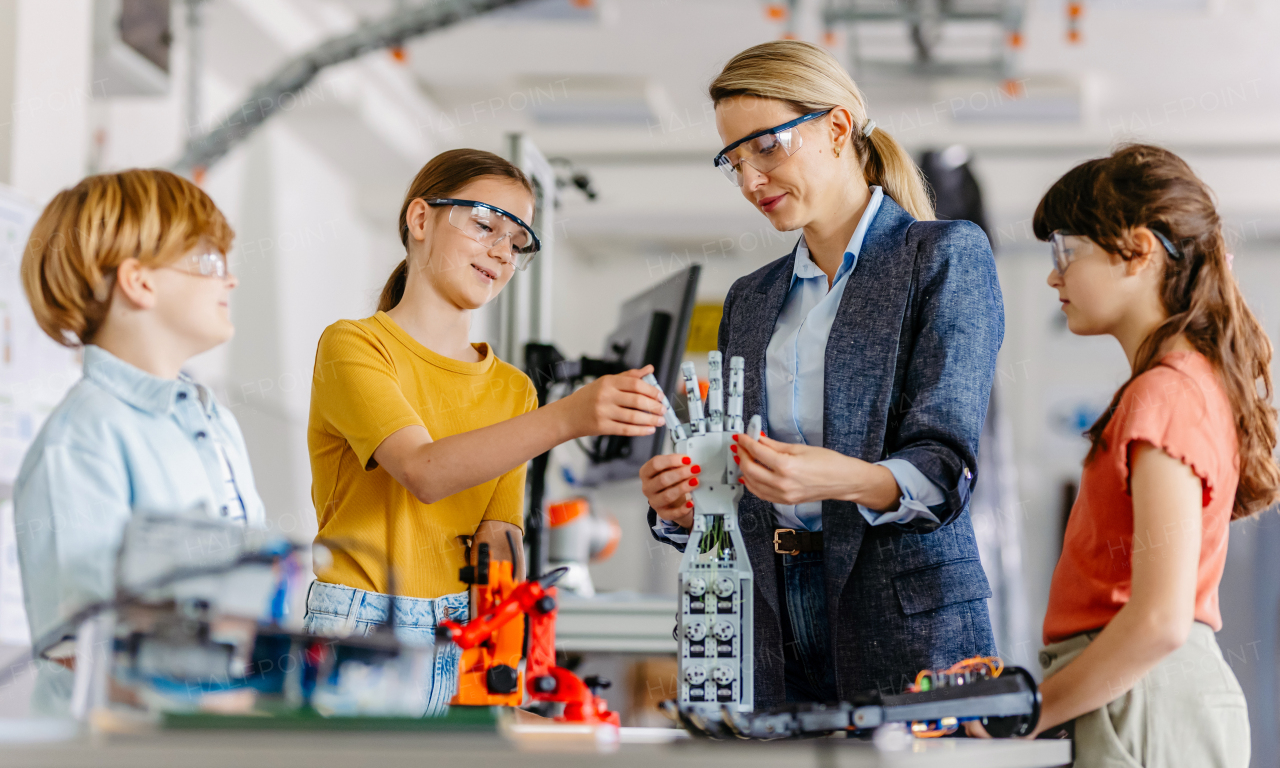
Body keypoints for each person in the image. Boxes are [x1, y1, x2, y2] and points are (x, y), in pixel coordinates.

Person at [640, 41, 1005, 707]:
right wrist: (689, 508)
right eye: (735, 160)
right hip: (767, 613)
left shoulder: (942, 257)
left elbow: (946, 472)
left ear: (837, 127)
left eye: (767, 148)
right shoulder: (752, 297)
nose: (752, 181)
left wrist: (835, 475)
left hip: (901, 613)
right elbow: (742, 487)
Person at [304, 148, 665, 714]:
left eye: (518, 240)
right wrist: (569, 416)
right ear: (420, 220)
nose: (502, 250)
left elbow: (498, 540)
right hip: (363, 624)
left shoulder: (514, 390)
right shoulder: (354, 345)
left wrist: (508, 658)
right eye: (484, 224)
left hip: (460, 631)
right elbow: (423, 471)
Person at [971, 145, 1270, 766]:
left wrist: (1031, 716)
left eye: (1065, 251)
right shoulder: (1184, 384)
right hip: (1141, 690)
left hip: (1144, 694)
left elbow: (1159, 620)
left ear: (1137, 250)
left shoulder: (1163, 392)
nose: (1054, 275)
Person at [14, 169, 264, 715]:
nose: (230, 280)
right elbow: (79, 646)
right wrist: (219, 705)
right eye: (208, 260)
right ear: (140, 282)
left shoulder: (214, 422)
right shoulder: (82, 438)